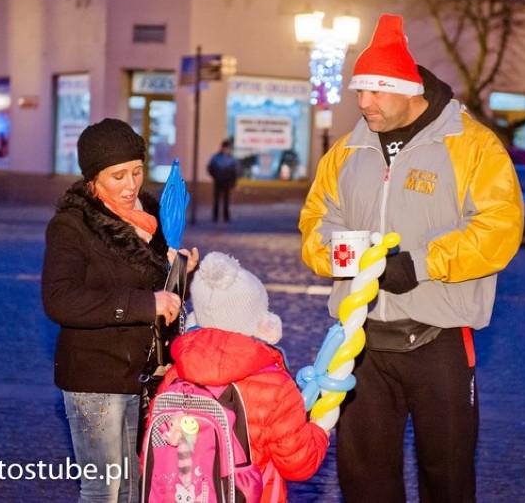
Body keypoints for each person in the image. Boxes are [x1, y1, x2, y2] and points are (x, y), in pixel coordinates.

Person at [299, 14, 524, 503]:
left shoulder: (471, 145)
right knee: (364, 482)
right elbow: (315, 223)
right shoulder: (347, 151)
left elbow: (499, 229)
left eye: (376, 92)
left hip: (438, 342)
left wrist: (418, 264)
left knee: (447, 479)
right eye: (359, 91)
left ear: (408, 88)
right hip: (360, 345)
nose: (364, 104)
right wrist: (352, 258)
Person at [41, 118, 199, 503]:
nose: (131, 185)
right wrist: (146, 304)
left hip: (143, 375)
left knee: (133, 488)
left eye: (137, 171)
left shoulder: (150, 215)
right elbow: (59, 299)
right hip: (95, 378)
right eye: (118, 176)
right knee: (103, 488)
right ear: (93, 179)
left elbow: (158, 291)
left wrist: (181, 275)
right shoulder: (71, 226)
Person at [151, 251, 330, 502]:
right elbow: (298, 464)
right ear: (261, 323)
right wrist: (320, 429)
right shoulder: (276, 385)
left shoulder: (174, 376)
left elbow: (154, 451)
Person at [206, 139, 241, 222]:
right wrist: (215, 176)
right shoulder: (217, 158)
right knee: (217, 200)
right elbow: (210, 168)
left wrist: (233, 181)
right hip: (218, 181)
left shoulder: (231, 159)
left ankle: (226, 217)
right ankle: (216, 217)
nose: (226, 150)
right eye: (225, 148)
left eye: (227, 148)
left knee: (226, 200)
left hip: (226, 182)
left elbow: (235, 171)